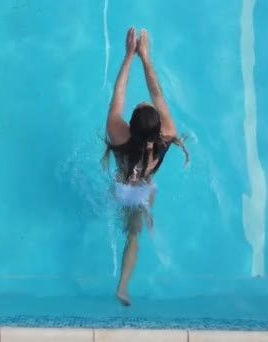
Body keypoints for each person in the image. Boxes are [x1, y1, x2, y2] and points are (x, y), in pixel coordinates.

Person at [102, 27, 189, 306]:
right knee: (133, 235)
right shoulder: (166, 137)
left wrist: (128, 57)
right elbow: (158, 96)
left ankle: (123, 284)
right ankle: (123, 287)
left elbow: (119, 92)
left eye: (139, 108)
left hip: (121, 187)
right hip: (141, 191)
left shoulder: (118, 133)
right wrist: (146, 58)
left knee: (126, 215)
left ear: (132, 125)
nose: (143, 101)